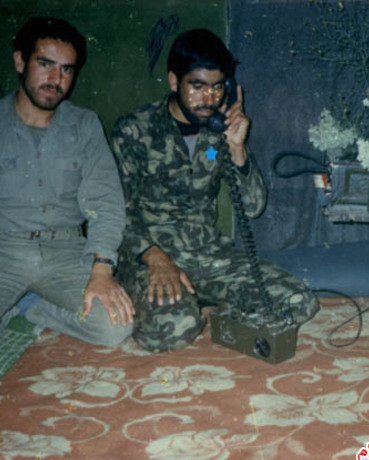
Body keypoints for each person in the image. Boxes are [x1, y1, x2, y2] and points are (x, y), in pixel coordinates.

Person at [0, 17, 134, 359]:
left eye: (66, 69)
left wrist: (102, 271)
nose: (56, 79)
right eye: (45, 64)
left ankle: (32, 304)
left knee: (115, 326)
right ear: (20, 61)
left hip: (66, 251)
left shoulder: (84, 125)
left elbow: (106, 203)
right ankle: (5, 302)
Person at [111, 29, 319, 352]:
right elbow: (116, 210)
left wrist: (237, 148)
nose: (209, 98)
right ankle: (177, 306)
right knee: (174, 330)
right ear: (173, 81)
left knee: (300, 301)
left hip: (208, 255)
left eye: (218, 87)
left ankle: (207, 306)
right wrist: (154, 257)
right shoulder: (134, 130)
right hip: (152, 257)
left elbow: (254, 207)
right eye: (197, 86)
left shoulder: (217, 134)